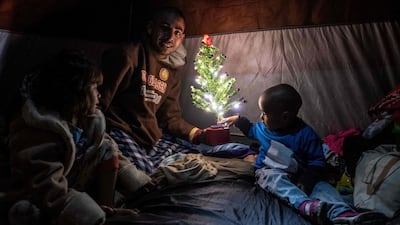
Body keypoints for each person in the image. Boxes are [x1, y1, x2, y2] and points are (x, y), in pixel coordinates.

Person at [6, 49, 152, 225]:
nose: (99, 94)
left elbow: (107, 151)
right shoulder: (37, 132)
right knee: (25, 212)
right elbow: (46, 187)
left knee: (107, 148)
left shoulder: (86, 121)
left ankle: (107, 205)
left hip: (72, 184)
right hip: (36, 196)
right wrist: (92, 214)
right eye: (94, 88)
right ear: (77, 92)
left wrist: (138, 183)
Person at [220, 83, 387, 225]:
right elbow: (250, 130)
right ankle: (306, 205)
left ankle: (343, 214)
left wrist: (307, 180)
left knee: (323, 187)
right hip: (271, 171)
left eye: (265, 113)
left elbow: (317, 161)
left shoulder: (305, 134)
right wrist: (238, 120)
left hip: (300, 174)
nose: (261, 116)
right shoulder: (263, 129)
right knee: (271, 178)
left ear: (284, 117)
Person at [100, 7, 206, 174]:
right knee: (145, 174)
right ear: (150, 28)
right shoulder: (129, 55)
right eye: (165, 28)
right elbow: (100, 99)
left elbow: (170, 117)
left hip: (149, 137)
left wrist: (198, 134)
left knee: (196, 158)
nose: (171, 37)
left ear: (182, 38)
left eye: (177, 32)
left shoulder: (172, 72)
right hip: (121, 131)